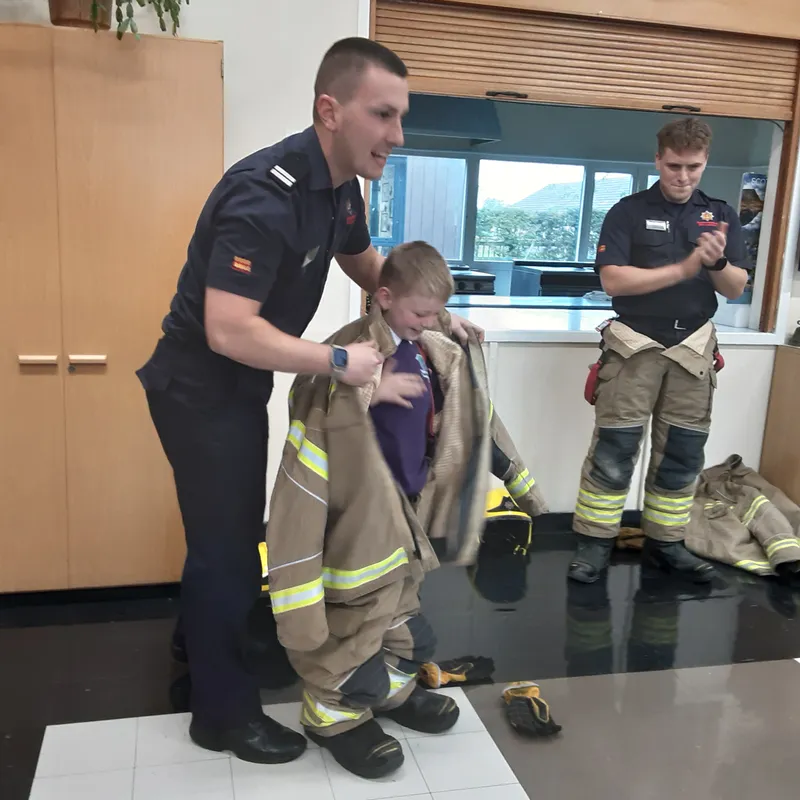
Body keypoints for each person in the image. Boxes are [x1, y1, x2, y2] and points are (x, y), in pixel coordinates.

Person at [136, 38, 483, 764]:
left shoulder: (340, 191)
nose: (397, 134)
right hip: (200, 389)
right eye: (383, 115)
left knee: (225, 540)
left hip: (239, 380)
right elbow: (227, 329)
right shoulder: (264, 194)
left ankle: (193, 646)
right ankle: (220, 716)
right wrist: (342, 361)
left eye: (402, 115)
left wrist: (433, 312)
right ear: (331, 110)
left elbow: (370, 268)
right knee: (228, 552)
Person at [263, 241, 546, 779]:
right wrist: (370, 387)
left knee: (402, 621)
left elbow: (474, 419)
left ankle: (389, 695)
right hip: (358, 522)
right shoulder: (346, 356)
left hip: (407, 515)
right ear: (384, 298)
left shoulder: (428, 344)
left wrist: (524, 488)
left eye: (437, 312)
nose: (430, 321)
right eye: (420, 312)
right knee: (355, 622)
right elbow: (313, 414)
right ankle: (331, 716)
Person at [567, 117, 749, 585]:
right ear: (658, 160)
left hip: (692, 348)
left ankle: (667, 542)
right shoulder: (627, 212)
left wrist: (717, 262)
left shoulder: (721, 214)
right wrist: (685, 266)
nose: (683, 176)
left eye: (693, 167)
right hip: (634, 345)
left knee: (684, 454)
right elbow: (612, 280)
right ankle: (594, 543)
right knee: (615, 449)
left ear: (705, 162)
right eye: (673, 166)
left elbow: (736, 288)